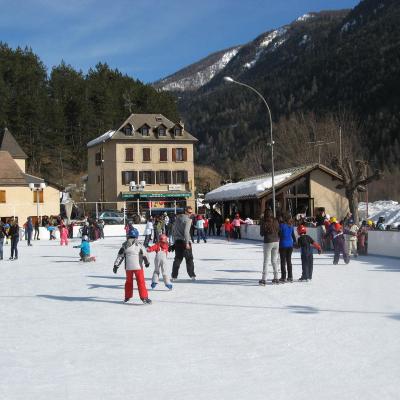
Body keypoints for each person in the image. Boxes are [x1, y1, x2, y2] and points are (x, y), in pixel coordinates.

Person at [113, 228, 152, 304]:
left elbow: (120, 256)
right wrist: (147, 262)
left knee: (128, 282)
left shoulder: (124, 245)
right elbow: (145, 254)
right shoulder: (140, 245)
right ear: (136, 236)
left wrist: (116, 266)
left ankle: (127, 297)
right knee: (141, 282)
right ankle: (144, 297)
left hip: (128, 267)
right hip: (138, 267)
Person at [171, 206, 196, 281]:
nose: (190, 214)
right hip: (185, 241)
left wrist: (174, 240)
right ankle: (192, 275)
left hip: (177, 241)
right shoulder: (188, 220)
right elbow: (186, 232)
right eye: (189, 212)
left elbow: (173, 230)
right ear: (185, 211)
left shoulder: (177, 218)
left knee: (178, 259)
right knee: (189, 259)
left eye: (191, 212)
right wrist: (187, 242)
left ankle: (174, 276)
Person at [259, 209, 280, 285]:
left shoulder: (264, 222)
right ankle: (276, 277)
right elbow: (278, 230)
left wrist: (266, 231)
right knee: (274, 260)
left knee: (266, 260)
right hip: (276, 241)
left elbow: (261, 234)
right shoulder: (276, 221)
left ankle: (264, 279)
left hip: (268, 241)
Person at [278, 214, 296, 283]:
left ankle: (283, 277)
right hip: (290, 245)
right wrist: (294, 242)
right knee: (289, 261)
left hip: (283, 245)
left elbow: (279, 234)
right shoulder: (291, 226)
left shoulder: (282, 225)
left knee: (283, 261)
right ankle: (290, 276)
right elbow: (293, 235)